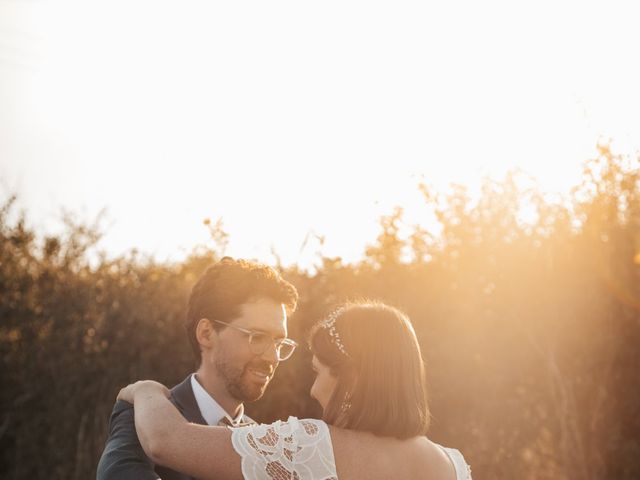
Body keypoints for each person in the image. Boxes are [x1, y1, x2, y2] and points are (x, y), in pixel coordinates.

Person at [118, 301, 472, 480]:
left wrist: (145, 390)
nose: (315, 390)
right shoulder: (453, 466)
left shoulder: (312, 447)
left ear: (353, 378)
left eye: (318, 372)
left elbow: (165, 439)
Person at [96, 257, 299, 480]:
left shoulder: (264, 441)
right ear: (206, 333)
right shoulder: (140, 417)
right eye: (257, 337)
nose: (272, 356)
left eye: (279, 342)